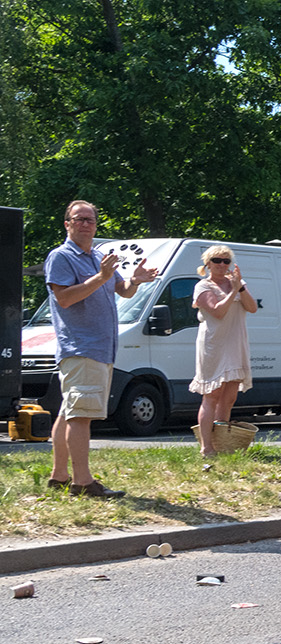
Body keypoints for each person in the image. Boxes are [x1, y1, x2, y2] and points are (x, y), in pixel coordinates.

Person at [44, 200, 158, 497]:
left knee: (69, 413)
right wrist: (101, 278)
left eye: (90, 220)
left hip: (100, 348)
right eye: (78, 219)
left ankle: (59, 476)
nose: (85, 224)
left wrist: (136, 280)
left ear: (96, 225)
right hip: (81, 346)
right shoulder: (61, 257)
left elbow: (123, 290)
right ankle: (83, 482)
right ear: (67, 223)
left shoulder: (99, 257)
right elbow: (65, 299)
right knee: (80, 416)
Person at [189, 245, 257, 456]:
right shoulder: (203, 286)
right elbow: (218, 312)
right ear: (207, 263)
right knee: (212, 395)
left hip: (236, 343)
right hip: (214, 345)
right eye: (217, 260)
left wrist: (240, 287)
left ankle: (222, 443)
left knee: (229, 397)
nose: (221, 265)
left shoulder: (237, 284)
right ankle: (206, 446)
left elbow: (252, 308)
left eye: (226, 261)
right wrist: (234, 291)